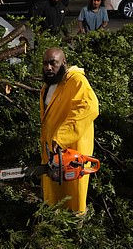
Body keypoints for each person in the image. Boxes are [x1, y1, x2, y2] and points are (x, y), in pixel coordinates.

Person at [39, 48, 99, 213]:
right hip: (52, 151)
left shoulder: (77, 81)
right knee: (54, 197)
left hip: (72, 153)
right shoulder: (49, 85)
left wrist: (61, 137)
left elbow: (88, 107)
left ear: (64, 63)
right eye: (45, 64)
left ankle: (75, 231)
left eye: (53, 63)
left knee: (73, 200)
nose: (49, 68)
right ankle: (53, 228)